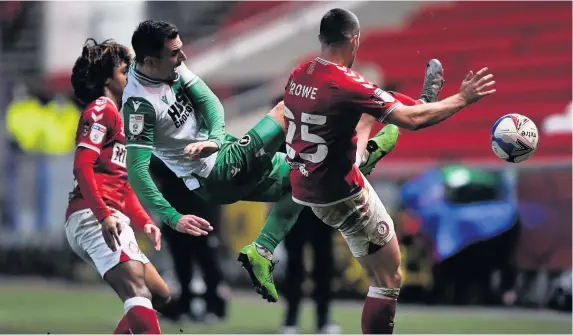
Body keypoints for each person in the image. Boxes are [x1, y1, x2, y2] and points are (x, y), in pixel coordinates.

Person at [121, 20, 400, 303]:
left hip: (222, 154)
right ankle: (358, 154)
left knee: (305, 179)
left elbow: (210, 101)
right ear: (150, 61)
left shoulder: (168, 65)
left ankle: (262, 251)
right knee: (287, 107)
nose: (183, 57)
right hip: (215, 172)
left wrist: (216, 138)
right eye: (174, 54)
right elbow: (136, 171)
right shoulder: (139, 107)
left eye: (180, 50)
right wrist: (173, 217)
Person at [282, 8, 496, 334]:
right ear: (354, 40)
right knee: (388, 278)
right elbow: (414, 121)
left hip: (305, 183)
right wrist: (463, 98)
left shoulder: (299, 73)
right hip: (340, 192)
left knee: (371, 114)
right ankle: (422, 102)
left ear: (321, 39)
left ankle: (403, 116)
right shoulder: (348, 82)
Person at [65, 38, 183, 334]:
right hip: (93, 216)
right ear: (107, 79)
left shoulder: (126, 117)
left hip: (112, 216)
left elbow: (124, 183)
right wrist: (104, 214)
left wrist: (145, 222)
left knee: (159, 293)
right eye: (124, 71)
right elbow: (82, 166)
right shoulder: (101, 109)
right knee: (138, 293)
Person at [149, 155, 227, 322]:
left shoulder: (205, 145)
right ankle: (184, 306)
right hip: (176, 214)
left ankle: (213, 307)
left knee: (208, 262)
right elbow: (154, 167)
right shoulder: (166, 148)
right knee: (181, 264)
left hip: (204, 214)